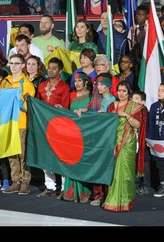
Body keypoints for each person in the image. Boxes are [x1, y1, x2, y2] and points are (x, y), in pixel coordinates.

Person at [103, 80, 147, 212]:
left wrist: (126, 115)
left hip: (128, 142)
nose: (121, 93)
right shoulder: (112, 106)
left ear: (129, 93)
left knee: (126, 171)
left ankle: (126, 200)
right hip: (113, 141)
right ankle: (112, 199)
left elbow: (138, 125)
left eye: (124, 91)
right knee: (114, 171)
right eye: (119, 90)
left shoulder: (135, 107)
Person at [1, 54, 36, 196]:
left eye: (17, 63)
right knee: (12, 153)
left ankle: (25, 182)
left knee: (23, 155)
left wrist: (17, 101)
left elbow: (29, 107)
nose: (13, 66)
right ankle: (15, 181)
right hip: (9, 123)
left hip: (22, 123)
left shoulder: (27, 83)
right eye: (11, 63)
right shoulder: (5, 81)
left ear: (23, 65)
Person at [35, 57, 70, 199]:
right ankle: (49, 186)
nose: (50, 70)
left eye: (54, 68)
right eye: (49, 68)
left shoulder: (64, 87)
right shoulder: (42, 85)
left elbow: (66, 108)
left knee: (60, 157)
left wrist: (60, 110)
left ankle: (64, 187)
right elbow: (37, 104)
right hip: (43, 125)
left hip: (59, 127)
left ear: (60, 70)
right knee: (45, 156)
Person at [87, 73, 117, 206]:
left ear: (109, 86)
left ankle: (107, 195)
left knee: (106, 166)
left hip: (107, 137)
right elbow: (90, 113)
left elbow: (114, 118)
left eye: (102, 84)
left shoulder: (113, 100)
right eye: (98, 84)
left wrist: (106, 116)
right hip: (95, 136)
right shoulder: (95, 99)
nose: (99, 87)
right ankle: (97, 195)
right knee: (96, 165)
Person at [63, 72, 93, 203]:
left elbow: (93, 111)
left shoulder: (92, 96)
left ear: (86, 82)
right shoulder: (71, 95)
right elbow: (66, 111)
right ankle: (71, 192)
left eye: (80, 81)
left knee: (83, 160)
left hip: (86, 132)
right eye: (75, 82)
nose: (77, 84)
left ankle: (84, 192)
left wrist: (86, 109)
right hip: (72, 131)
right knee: (72, 160)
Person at [131, 90, 150, 196]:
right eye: (132, 98)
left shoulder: (144, 111)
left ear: (142, 102)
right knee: (134, 162)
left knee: (144, 163)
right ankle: (135, 184)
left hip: (143, 141)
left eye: (136, 99)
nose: (133, 100)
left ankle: (145, 185)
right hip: (133, 140)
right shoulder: (130, 110)